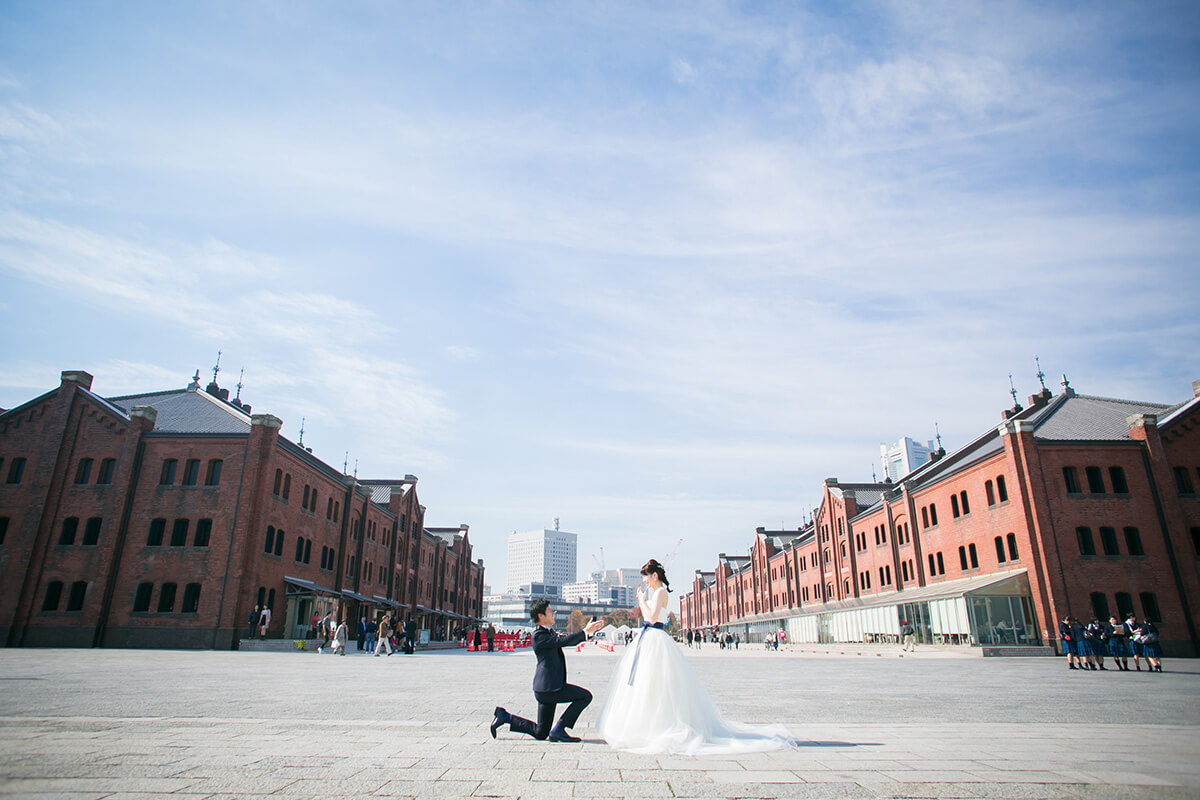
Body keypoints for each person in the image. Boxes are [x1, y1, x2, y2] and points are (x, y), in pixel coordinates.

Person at [596, 559, 794, 755]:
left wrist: (640, 600)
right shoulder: (655, 591)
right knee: (649, 682)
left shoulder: (660, 592)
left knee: (657, 682)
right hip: (650, 639)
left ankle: (659, 726)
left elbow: (652, 618)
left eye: (646, 577)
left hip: (655, 637)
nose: (644, 581)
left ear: (654, 575)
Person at [489, 599, 604, 742]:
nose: (553, 613)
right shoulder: (539, 636)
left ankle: (505, 717)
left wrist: (588, 632)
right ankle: (559, 729)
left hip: (546, 688)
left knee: (540, 732)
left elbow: (566, 639)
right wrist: (585, 632)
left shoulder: (549, 633)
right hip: (550, 689)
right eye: (550, 611)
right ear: (541, 616)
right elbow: (564, 642)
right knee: (585, 696)